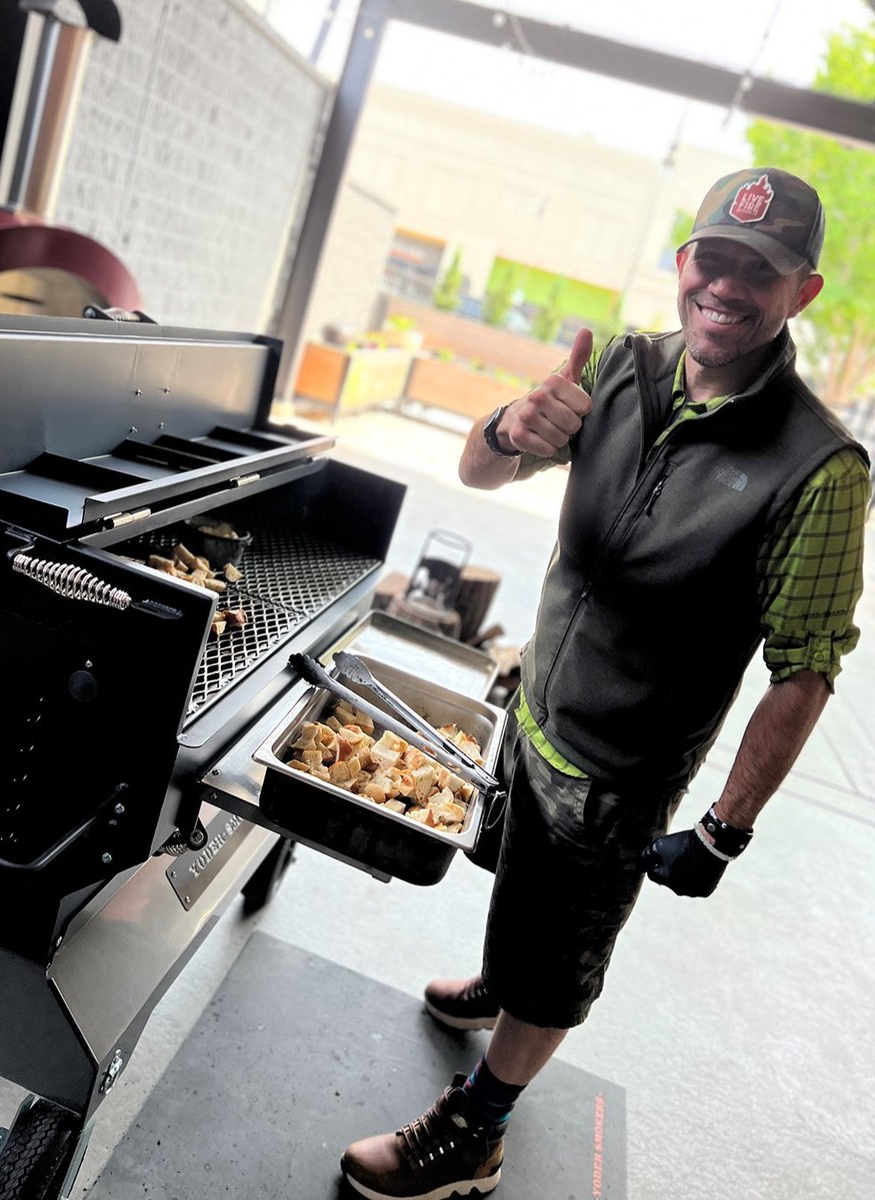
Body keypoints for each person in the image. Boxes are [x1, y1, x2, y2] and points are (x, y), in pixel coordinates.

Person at [340, 167, 870, 1200]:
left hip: (621, 771)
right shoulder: (621, 369)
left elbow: (805, 670)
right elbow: (478, 473)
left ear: (799, 292)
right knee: (521, 884)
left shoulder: (820, 466)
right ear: (684, 263)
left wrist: (725, 827)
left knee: (563, 954)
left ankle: (477, 1132)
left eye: (759, 270)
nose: (727, 283)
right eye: (713, 257)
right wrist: (507, 431)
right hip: (534, 705)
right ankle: (507, 981)